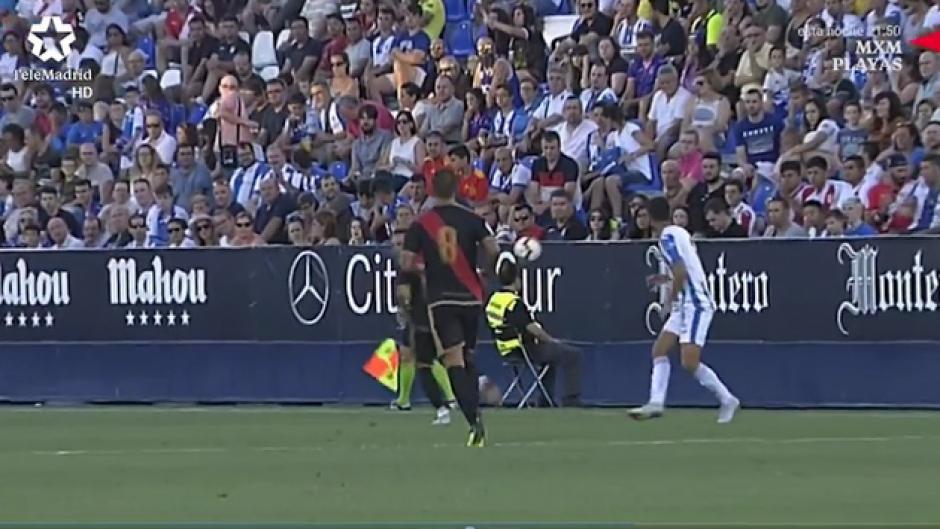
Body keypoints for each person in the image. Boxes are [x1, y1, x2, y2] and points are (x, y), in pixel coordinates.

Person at [400, 169, 500, 447]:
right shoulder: (474, 220)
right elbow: (493, 250)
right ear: (457, 188)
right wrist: (487, 274)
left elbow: (407, 263)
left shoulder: (422, 224)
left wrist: (422, 269)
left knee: (453, 359)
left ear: (431, 190)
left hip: (441, 299)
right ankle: (475, 411)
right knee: (467, 355)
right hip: (471, 297)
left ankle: (474, 422)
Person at [630, 197, 740, 423]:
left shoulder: (667, 237)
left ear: (650, 218)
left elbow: (681, 272)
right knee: (659, 350)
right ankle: (656, 402)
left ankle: (727, 399)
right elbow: (685, 268)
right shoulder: (679, 232)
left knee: (689, 362)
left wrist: (669, 300)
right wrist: (663, 279)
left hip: (695, 303)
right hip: (687, 302)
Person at [486, 255, 583, 406]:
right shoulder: (513, 303)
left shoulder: (494, 300)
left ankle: (545, 400)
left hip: (506, 351)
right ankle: (571, 400)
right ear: (517, 280)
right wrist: (552, 340)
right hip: (524, 350)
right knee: (572, 355)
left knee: (549, 359)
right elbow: (532, 329)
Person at [389, 227, 457, 422]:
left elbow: (405, 295)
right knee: (412, 354)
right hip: (433, 315)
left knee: (424, 359)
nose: (397, 248)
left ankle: (447, 401)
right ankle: (405, 400)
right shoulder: (425, 264)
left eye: (401, 244)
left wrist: (404, 310)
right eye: (395, 244)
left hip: (421, 319)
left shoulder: (409, 268)